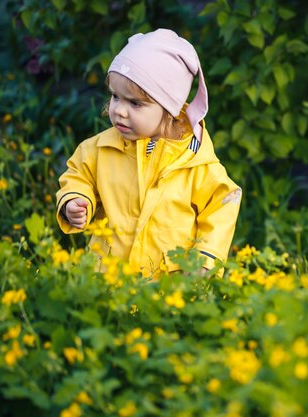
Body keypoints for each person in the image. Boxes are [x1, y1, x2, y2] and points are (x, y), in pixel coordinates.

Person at [55, 29, 241, 278]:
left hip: (168, 284)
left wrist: (205, 258)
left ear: (168, 109)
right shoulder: (99, 149)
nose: (119, 110)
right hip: (107, 277)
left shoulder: (194, 161)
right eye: (115, 97)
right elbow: (79, 174)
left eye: (135, 103)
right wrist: (75, 199)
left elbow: (221, 205)